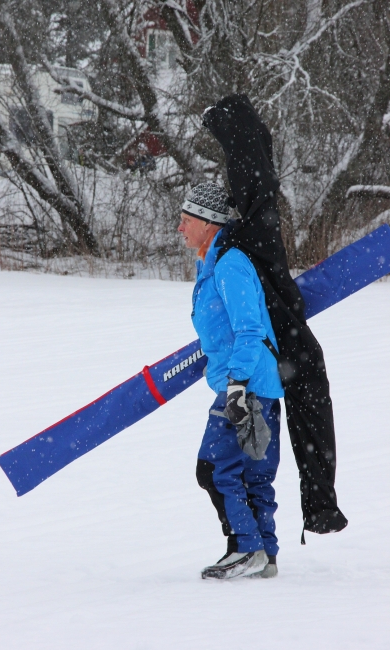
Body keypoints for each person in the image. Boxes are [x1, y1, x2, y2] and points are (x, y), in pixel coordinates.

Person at [178, 181, 284, 580]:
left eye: (186, 220)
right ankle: (265, 555)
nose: (180, 227)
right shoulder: (213, 263)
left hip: (246, 386)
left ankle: (245, 546)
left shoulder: (229, 265)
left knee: (214, 468)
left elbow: (250, 330)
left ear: (209, 223)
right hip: (258, 383)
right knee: (252, 472)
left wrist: (237, 384)